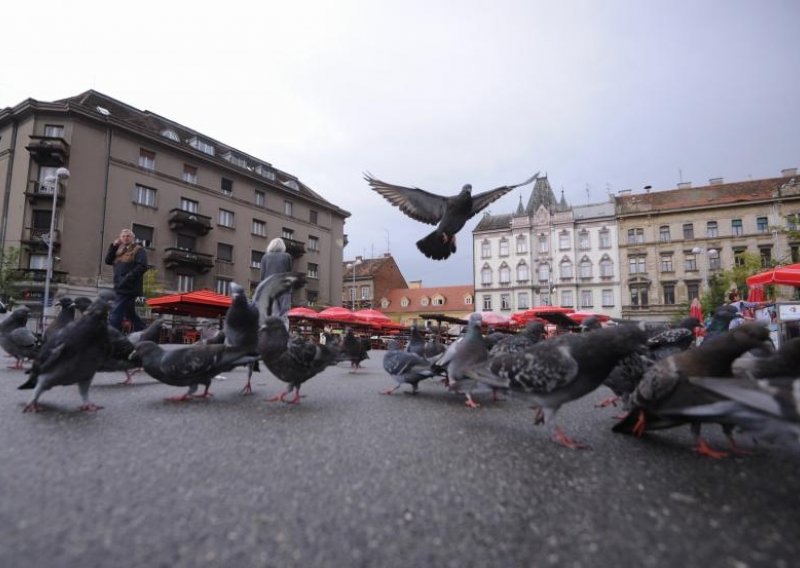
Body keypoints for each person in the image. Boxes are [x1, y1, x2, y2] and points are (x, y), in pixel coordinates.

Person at [104, 228, 149, 332]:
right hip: (119, 285)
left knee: (115, 313)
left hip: (129, 288)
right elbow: (108, 260)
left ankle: (110, 336)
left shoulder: (139, 249)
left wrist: (127, 278)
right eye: (123, 236)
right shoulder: (119, 250)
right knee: (130, 314)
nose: (125, 238)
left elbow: (143, 266)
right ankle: (144, 332)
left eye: (128, 236)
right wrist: (114, 246)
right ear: (120, 238)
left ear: (133, 238)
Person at [260, 237, 293, 329]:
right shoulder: (287, 256)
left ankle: (273, 337)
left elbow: (262, 276)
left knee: (273, 314)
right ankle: (283, 337)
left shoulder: (265, 257)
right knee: (284, 315)